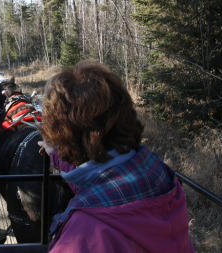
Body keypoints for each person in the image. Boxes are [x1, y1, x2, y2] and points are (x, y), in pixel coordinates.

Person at [38, 60, 195, 252]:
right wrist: (55, 155)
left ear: (63, 135)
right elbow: (101, 176)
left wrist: (60, 150)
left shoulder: (83, 233)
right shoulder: (158, 173)